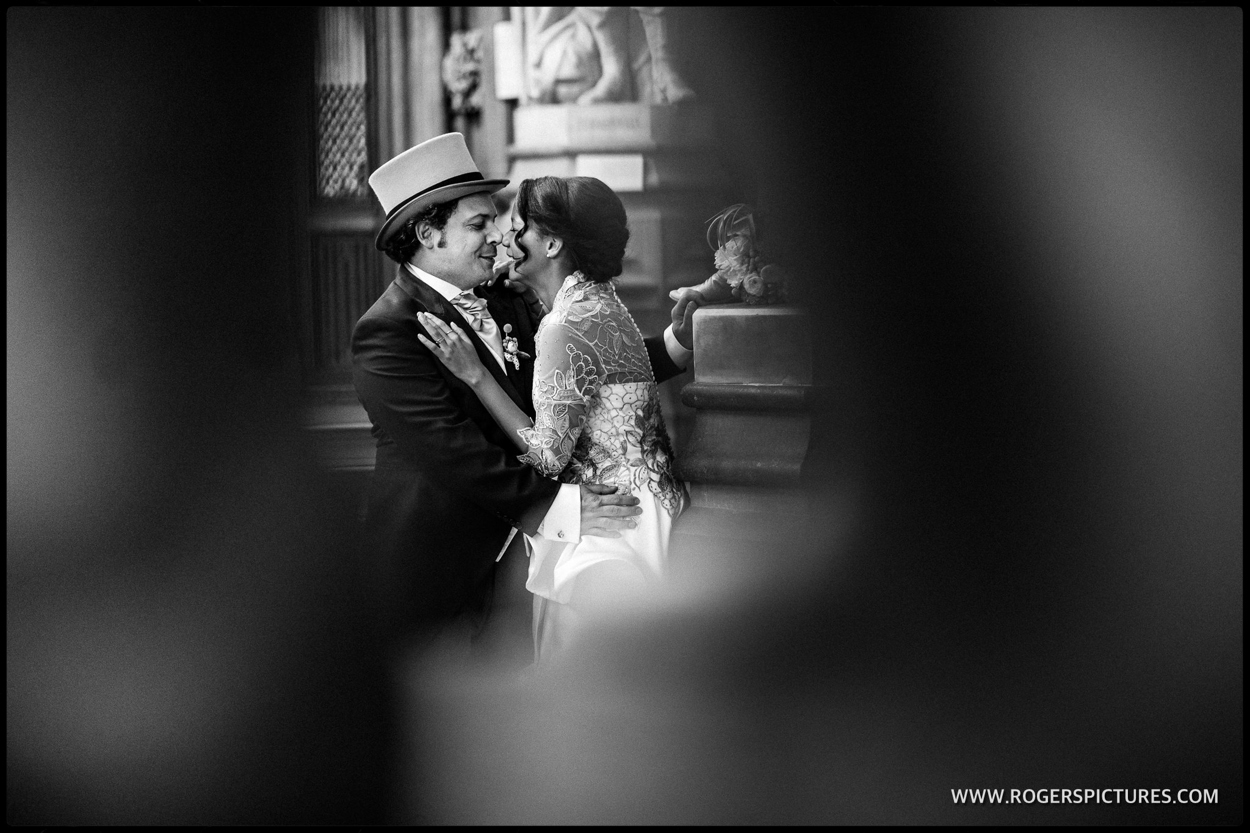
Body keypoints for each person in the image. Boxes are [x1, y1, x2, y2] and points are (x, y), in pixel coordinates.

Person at [351, 134, 695, 668]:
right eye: (478, 224)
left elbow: (584, 377)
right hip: (445, 566)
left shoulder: (510, 298)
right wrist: (561, 507)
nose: (498, 238)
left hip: (528, 562)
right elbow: (451, 450)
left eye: (496, 220)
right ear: (428, 234)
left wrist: (679, 345)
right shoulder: (387, 331)